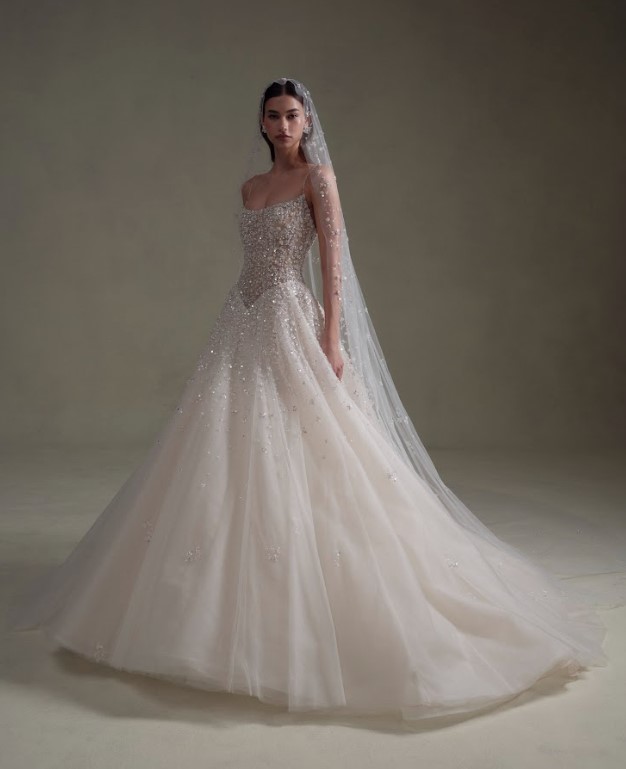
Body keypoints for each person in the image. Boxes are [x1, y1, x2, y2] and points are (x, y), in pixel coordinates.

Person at [6, 77, 610, 722]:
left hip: (293, 318)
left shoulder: (318, 178)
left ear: (306, 121)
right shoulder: (248, 189)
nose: (284, 124)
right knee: (228, 444)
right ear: (262, 124)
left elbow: (333, 255)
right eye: (274, 115)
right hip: (242, 318)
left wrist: (331, 333)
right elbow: (254, 262)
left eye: (294, 114)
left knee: (315, 439)